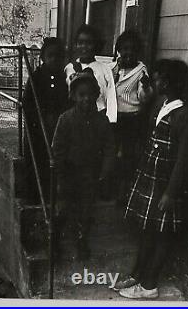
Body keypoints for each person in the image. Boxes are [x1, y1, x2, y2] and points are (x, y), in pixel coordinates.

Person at [113, 59, 188, 299]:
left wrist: (171, 192)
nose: (155, 82)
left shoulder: (184, 115)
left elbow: (183, 159)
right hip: (149, 177)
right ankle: (138, 274)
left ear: (169, 83)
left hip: (165, 184)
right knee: (146, 231)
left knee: (161, 234)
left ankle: (149, 285)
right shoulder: (161, 104)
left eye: (159, 79)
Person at [52, 69, 115, 260]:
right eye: (81, 95)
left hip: (91, 174)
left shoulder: (101, 121)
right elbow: (58, 148)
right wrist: (60, 173)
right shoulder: (65, 119)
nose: (86, 99)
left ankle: (81, 241)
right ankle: (54, 242)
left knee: (86, 210)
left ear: (96, 96)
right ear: (73, 96)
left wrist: (104, 172)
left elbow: (110, 148)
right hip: (69, 172)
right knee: (62, 208)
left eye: (90, 95)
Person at [22, 37, 69, 203]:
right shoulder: (36, 77)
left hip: (56, 127)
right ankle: (34, 197)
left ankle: (51, 196)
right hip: (38, 129)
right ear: (43, 57)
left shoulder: (64, 79)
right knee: (37, 161)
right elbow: (26, 103)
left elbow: (66, 102)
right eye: (50, 56)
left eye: (58, 56)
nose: (54, 59)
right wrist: (38, 118)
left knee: (55, 162)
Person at [111, 30, 153, 203]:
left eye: (132, 49)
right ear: (119, 50)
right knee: (112, 153)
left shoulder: (141, 70)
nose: (128, 53)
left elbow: (144, 99)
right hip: (115, 117)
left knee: (127, 155)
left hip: (132, 119)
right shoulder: (115, 66)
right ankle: (110, 187)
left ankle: (124, 190)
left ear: (138, 52)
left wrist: (145, 87)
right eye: (124, 49)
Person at [65, 24, 117, 123]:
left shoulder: (104, 69)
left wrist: (111, 120)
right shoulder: (70, 68)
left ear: (96, 45)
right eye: (80, 43)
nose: (84, 47)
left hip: (98, 118)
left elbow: (110, 95)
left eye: (89, 43)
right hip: (76, 118)